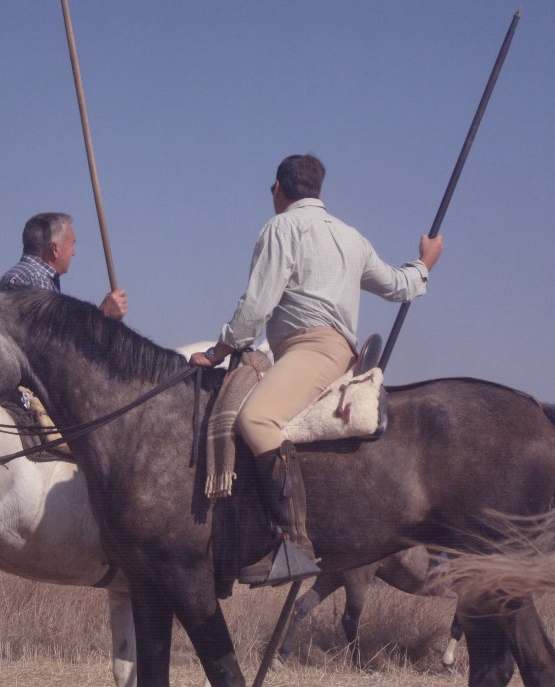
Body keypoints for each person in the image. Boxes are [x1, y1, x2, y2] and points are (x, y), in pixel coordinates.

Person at [189, 154, 443, 586]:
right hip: (312, 349)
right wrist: (426, 262)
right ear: (320, 191)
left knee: (256, 419)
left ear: (278, 189)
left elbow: (256, 306)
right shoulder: (352, 237)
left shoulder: (281, 227)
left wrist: (218, 351)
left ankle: (293, 542)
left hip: (313, 350)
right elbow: (399, 286)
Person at [0, 212, 128, 319]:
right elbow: (51, 343)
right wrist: (103, 315)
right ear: (55, 249)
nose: (73, 253)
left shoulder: (22, 276)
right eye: (72, 244)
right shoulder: (36, 280)